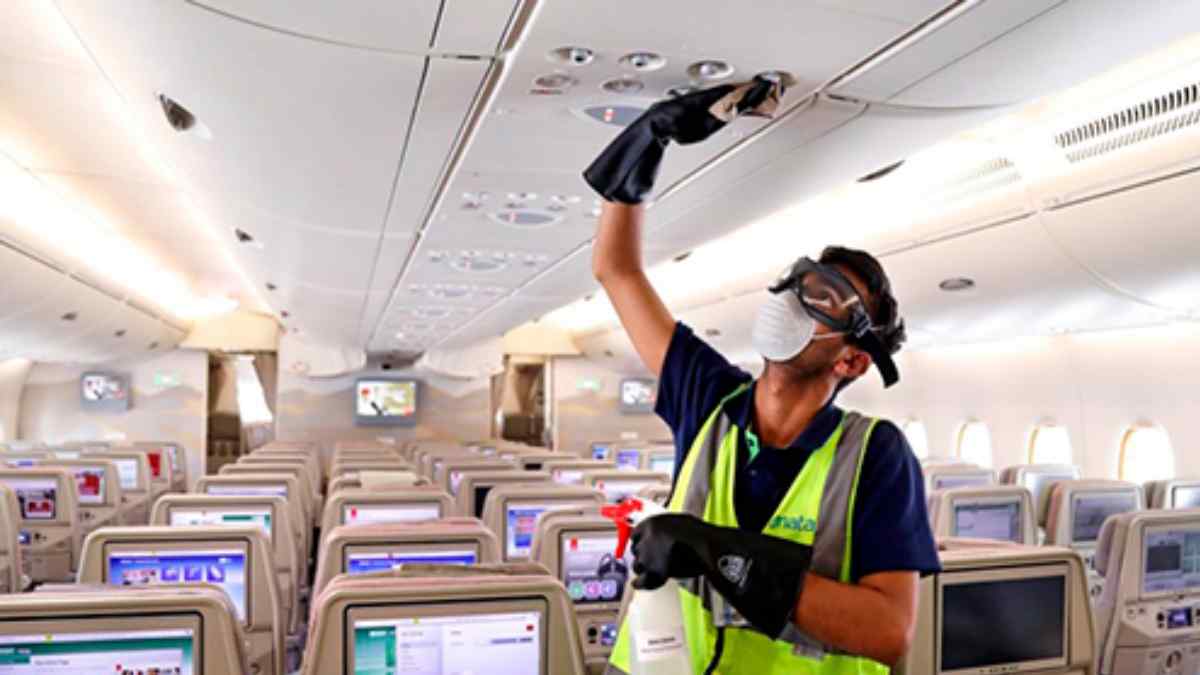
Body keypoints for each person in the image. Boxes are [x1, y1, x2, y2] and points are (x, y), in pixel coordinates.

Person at [584, 78, 940, 673]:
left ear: (851, 360)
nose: (797, 299)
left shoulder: (874, 455)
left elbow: (888, 631)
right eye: (802, 282)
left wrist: (719, 552)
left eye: (825, 299)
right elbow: (617, 271)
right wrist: (648, 139)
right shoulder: (708, 396)